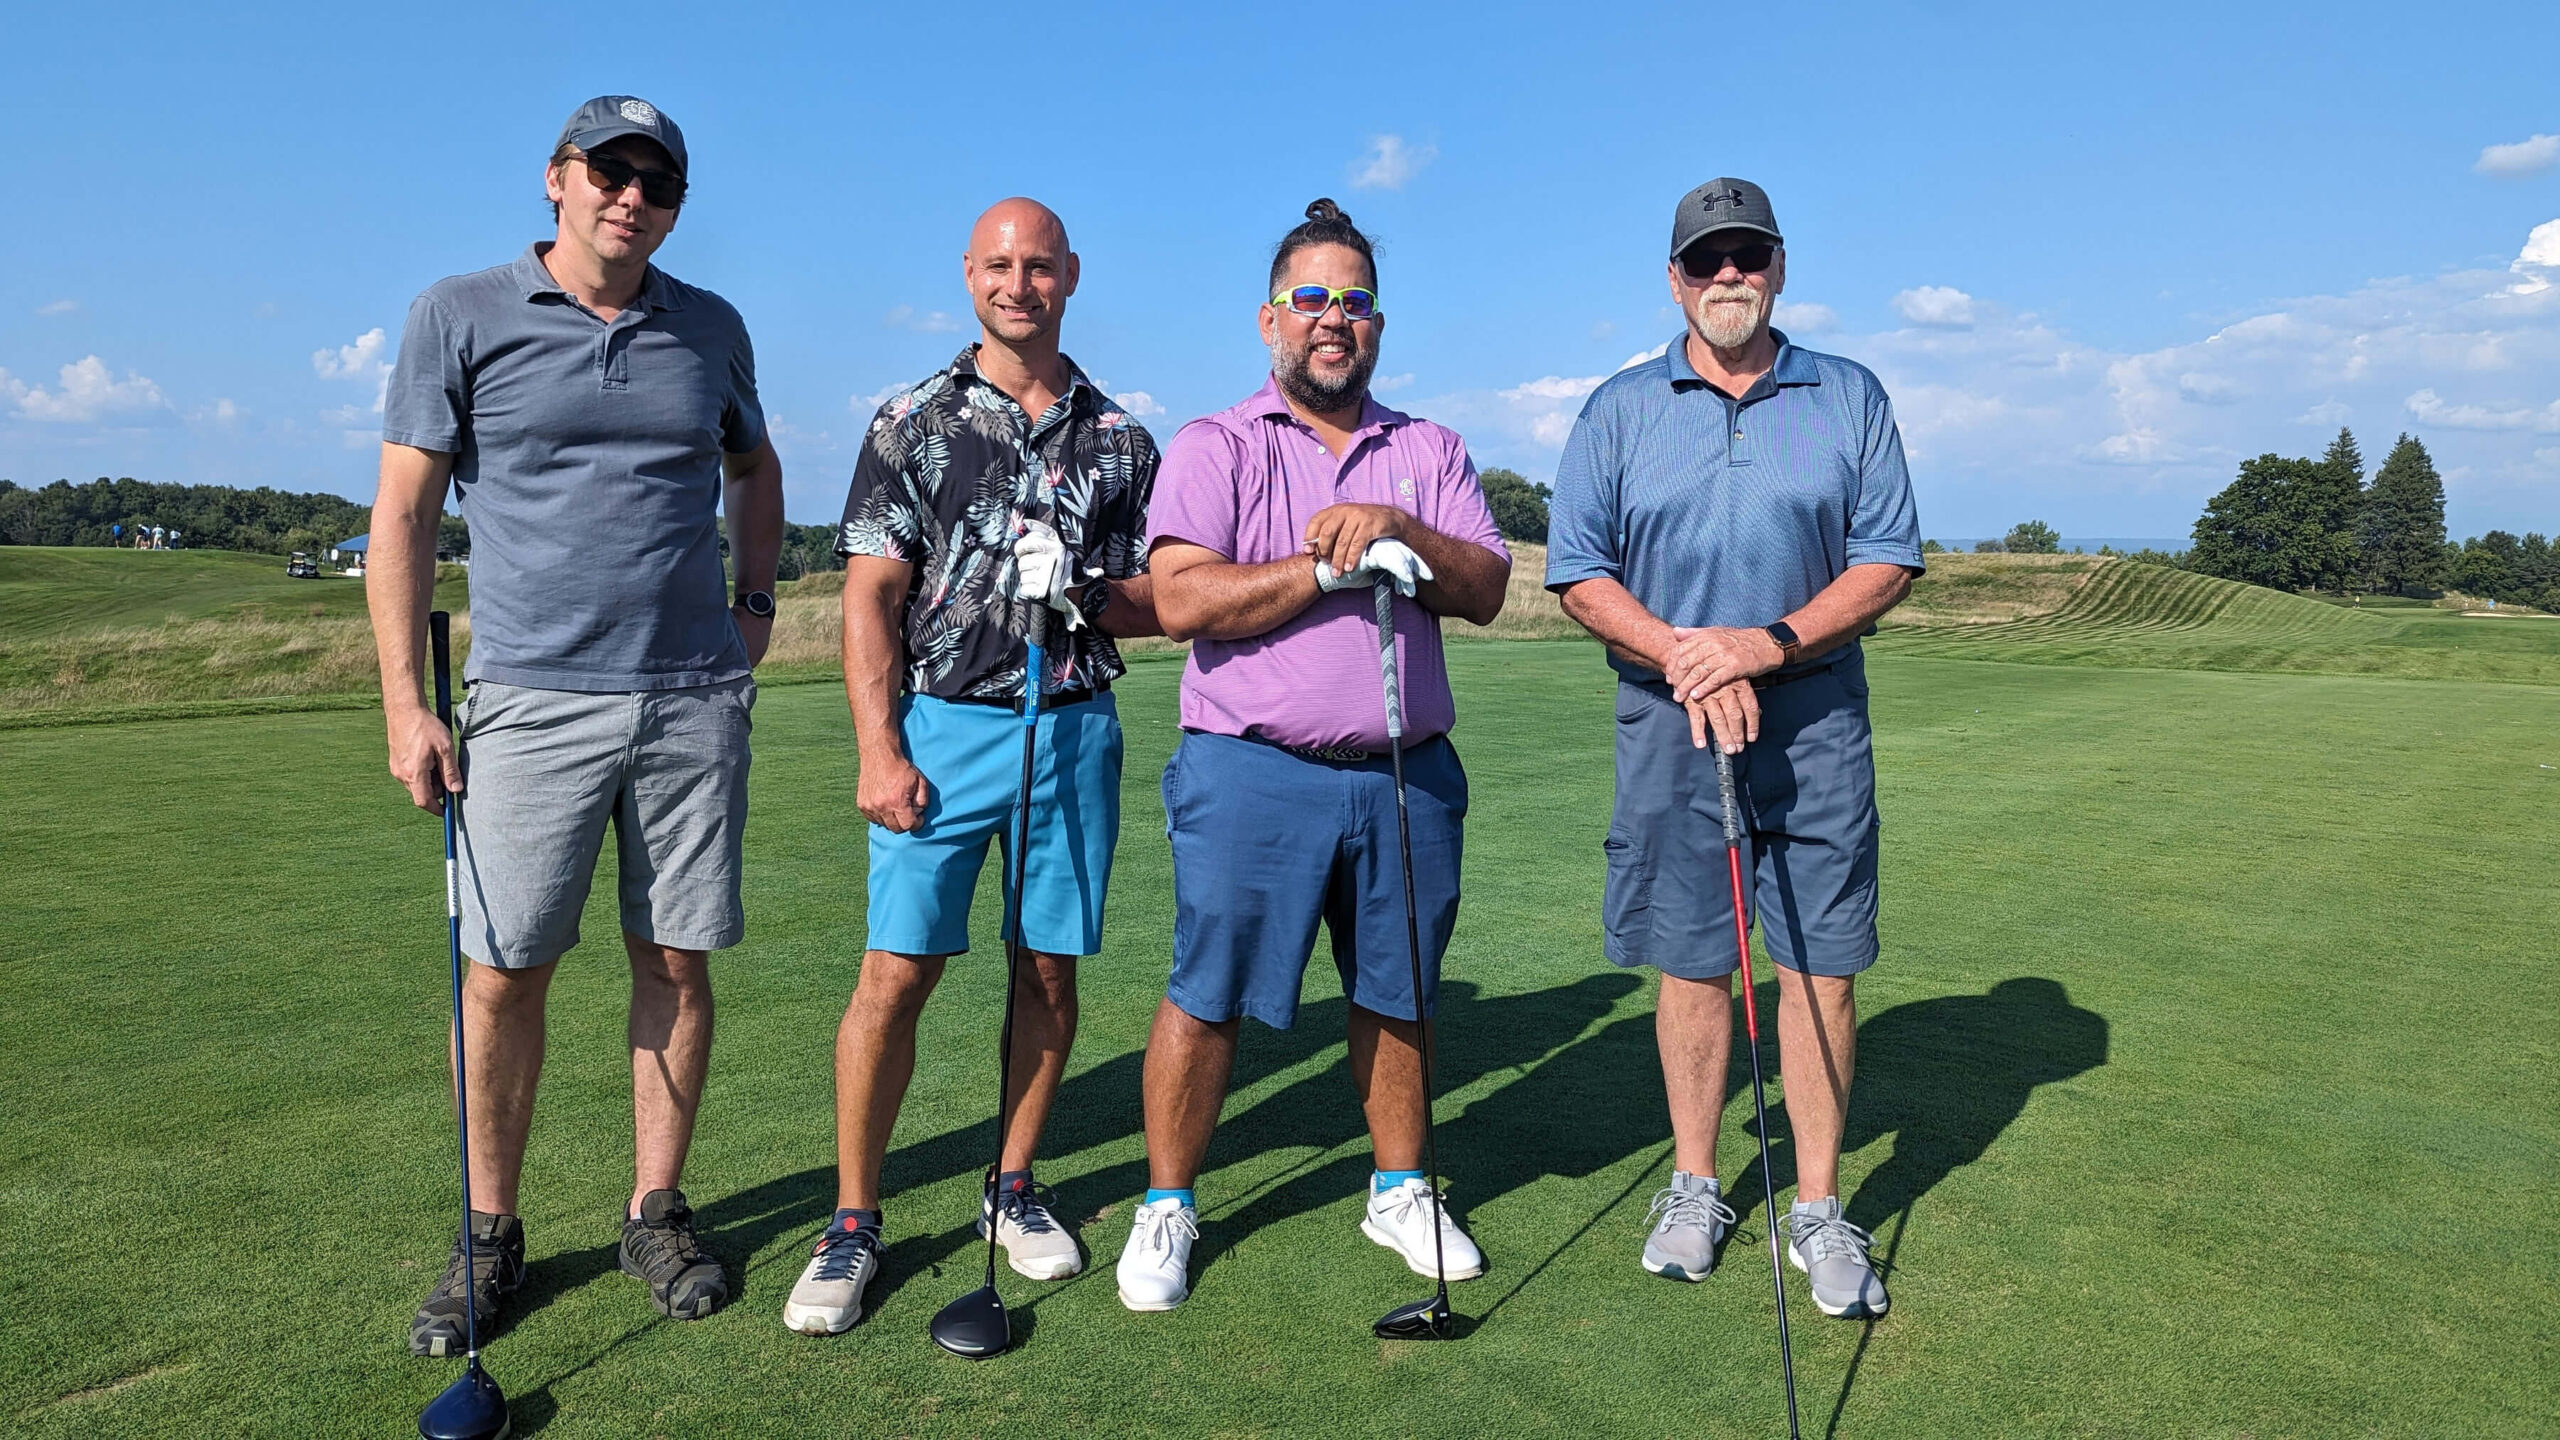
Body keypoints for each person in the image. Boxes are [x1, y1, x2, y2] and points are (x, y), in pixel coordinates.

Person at [367, 95, 784, 1355]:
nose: (631, 197)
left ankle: (654, 1211)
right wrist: (404, 702)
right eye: (609, 171)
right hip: (529, 699)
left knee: (675, 961)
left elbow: (753, 472)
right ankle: (489, 1234)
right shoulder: (461, 312)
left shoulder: (708, 327)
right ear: (556, 179)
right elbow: (403, 515)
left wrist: (752, 607)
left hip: (689, 700)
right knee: (503, 974)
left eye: (657, 183)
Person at [1114, 199, 1512, 1313]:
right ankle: (1167, 1202)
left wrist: (1402, 530)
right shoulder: (1217, 443)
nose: (1332, 319)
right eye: (1311, 299)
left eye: (1354, 300)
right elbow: (1186, 598)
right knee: (1210, 990)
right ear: (1269, 320)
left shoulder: (1428, 451)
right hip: (1252, 767)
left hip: (1405, 771)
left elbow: (1482, 589)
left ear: (1375, 323)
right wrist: (1328, 566)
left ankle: (1398, 1186)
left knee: (1400, 994)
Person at [782, 198, 1162, 1336]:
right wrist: (877, 747)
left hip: (1076, 725)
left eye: (1039, 266)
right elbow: (870, 594)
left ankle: (1013, 1185)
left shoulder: (1121, 439)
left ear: (1071, 276)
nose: (1019, 283)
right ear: (967, 275)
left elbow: (1165, 599)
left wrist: (1088, 592)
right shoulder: (911, 420)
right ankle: (853, 1221)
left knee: (1047, 973)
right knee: (897, 973)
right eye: (999, 265)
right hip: (943, 729)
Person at [1545, 178, 1922, 1318]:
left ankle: (1816, 1206)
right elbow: (1576, 569)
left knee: (1821, 963)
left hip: (1812, 725)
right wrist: (1685, 657)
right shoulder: (1617, 408)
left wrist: (1759, 647)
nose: (1727, 277)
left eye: (1746, 256)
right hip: (1668, 724)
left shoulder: (1846, 396)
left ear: (1778, 267)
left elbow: (1885, 557)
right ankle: (1697, 1183)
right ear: (1673, 278)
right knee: (1694, 958)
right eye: (1705, 260)